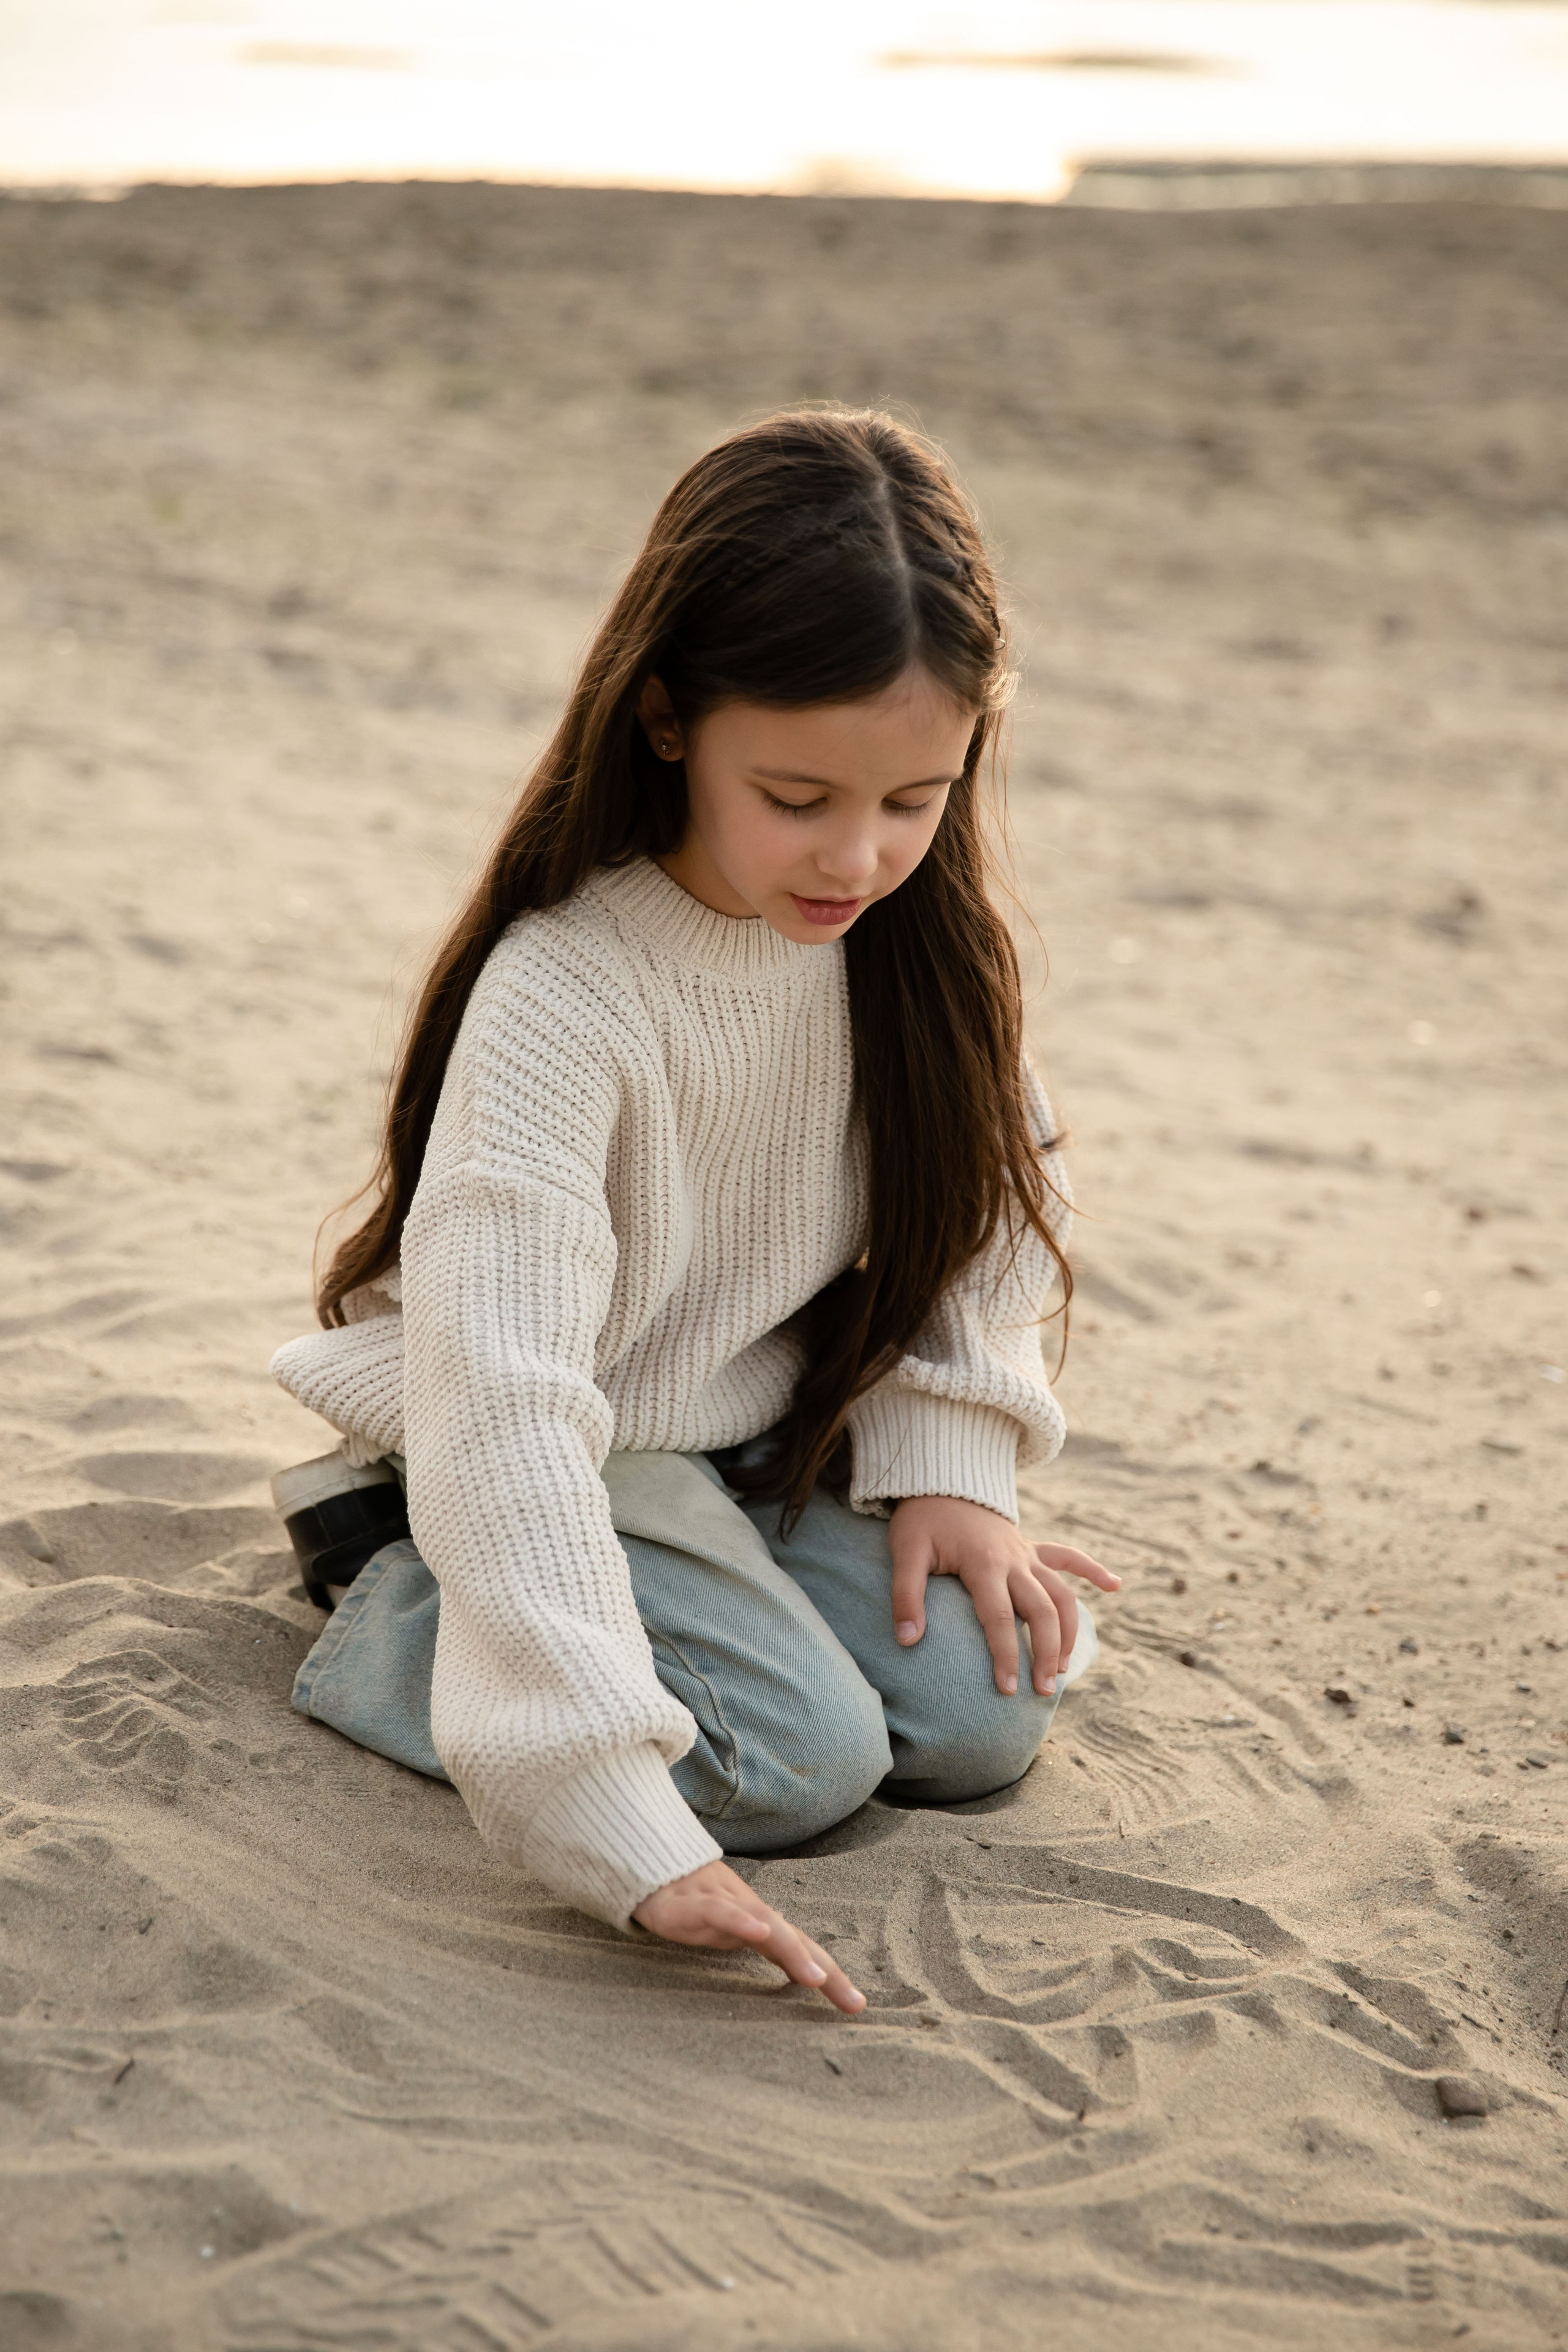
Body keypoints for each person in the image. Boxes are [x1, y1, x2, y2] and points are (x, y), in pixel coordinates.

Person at [269, 408, 1120, 2017]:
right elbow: (511, 1393)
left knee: (978, 1713)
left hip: (746, 1428)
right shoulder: (568, 992)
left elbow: (993, 1216)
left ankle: (685, 1585)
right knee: (795, 1761)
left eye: (913, 799)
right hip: (539, 1432)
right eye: (795, 795)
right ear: (667, 720)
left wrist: (954, 1466)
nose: (858, 856)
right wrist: (596, 1794)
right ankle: (393, 1594)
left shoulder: (915, 947)